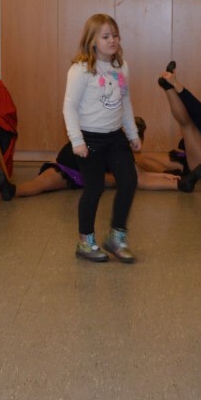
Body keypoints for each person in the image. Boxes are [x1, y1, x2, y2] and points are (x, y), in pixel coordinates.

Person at [63, 13, 140, 263]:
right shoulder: (81, 70)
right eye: (106, 36)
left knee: (129, 181)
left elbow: (125, 102)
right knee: (94, 188)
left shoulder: (121, 67)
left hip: (115, 137)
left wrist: (132, 133)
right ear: (92, 41)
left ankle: (117, 237)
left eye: (115, 35)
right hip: (90, 139)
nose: (112, 40)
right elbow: (69, 107)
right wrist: (77, 140)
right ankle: (85, 241)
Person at [0, 117, 190, 200]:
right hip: (68, 168)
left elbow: (141, 177)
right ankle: (12, 191)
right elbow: (142, 178)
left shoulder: (120, 150)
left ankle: (178, 180)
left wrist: (172, 178)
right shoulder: (112, 139)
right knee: (41, 183)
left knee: (123, 177)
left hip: (90, 173)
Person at [140, 65, 201, 192]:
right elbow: (194, 109)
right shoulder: (199, 114)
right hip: (186, 161)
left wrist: (175, 84)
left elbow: (198, 110)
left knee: (187, 125)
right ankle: (176, 177)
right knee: (144, 159)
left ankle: (168, 87)